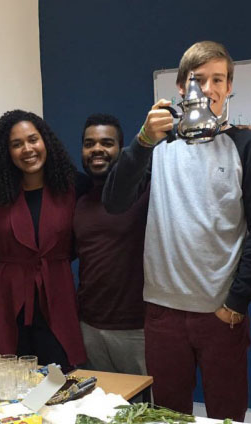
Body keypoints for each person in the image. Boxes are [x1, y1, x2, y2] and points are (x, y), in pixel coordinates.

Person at [103, 41, 251, 424]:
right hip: (162, 311)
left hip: (221, 313)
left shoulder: (248, 143)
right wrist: (141, 140)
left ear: (230, 87)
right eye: (199, 80)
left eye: (218, 80)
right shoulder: (157, 145)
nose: (209, 89)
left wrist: (238, 302)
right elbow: (114, 202)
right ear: (181, 88)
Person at [0, 109, 91, 371]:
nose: (27, 149)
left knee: (61, 379)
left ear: (45, 141)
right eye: (16, 144)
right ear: (7, 152)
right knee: (12, 379)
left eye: (33, 139)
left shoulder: (74, 185)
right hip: (8, 298)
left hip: (57, 294)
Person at [74, 113, 149, 376]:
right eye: (89, 143)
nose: (97, 149)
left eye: (107, 143)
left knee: (144, 412)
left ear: (121, 149)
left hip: (136, 328)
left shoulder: (145, 191)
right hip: (88, 327)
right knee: (99, 410)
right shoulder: (79, 200)